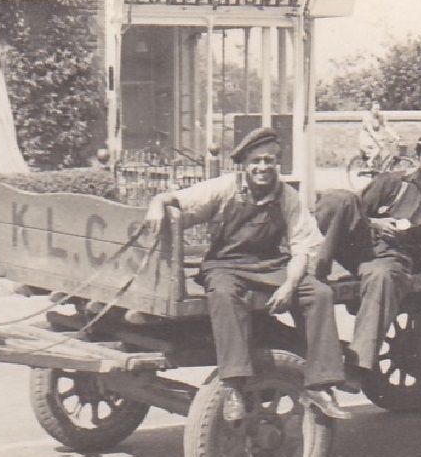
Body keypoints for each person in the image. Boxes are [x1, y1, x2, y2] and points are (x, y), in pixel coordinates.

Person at [143, 127, 351, 420]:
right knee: (225, 295)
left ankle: (321, 383)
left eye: (269, 161)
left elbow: (303, 247)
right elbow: (175, 199)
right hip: (226, 265)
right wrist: (157, 203)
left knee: (319, 293)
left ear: (276, 163)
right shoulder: (225, 188)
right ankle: (234, 385)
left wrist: (290, 286)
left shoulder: (286, 196)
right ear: (244, 164)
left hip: (269, 265)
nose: (263, 168)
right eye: (256, 161)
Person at [314, 137, 421, 386]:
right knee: (337, 199)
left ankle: (359, 367)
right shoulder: (393, 183)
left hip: (394, 258)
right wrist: (375, 223)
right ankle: (313, 275)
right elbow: (354, 211)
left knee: (384, 278)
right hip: (361, 246)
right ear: (419, 160)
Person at [358, 101, 402, 170]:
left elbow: (387, 127)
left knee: (382, 151)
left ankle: (378, 170)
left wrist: (395, 136)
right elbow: (370, 131)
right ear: (371, 109)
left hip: (373, 137)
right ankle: (370, 161)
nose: (377, 111)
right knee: (378, 147)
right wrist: (378, 137)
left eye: (378, 109)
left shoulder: (380, 117)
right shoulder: (368, 118)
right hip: (366, 137)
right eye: (375, 109)